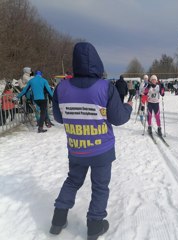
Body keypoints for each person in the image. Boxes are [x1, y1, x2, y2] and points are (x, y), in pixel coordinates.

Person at [50, 42, 132, 239]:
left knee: (72, 181)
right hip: (101, 150)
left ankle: (57, 220)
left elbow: (59, 118)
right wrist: (128, 106)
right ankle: (95, 226)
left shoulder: (62, 87)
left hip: (77, 148)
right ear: (97, 62)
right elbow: (119, 118)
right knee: (100, 186)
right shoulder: (105, 87)